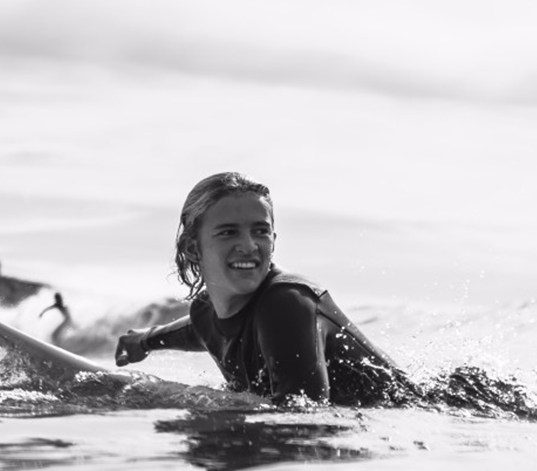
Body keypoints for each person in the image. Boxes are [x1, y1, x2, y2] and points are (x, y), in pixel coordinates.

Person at [114, 172, 418, 407]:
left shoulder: (287, 303)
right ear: (193, 247)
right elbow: (203, 330)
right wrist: (144, 341)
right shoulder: (207, 310)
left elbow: (305, 420)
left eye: (260, 231)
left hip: (418, 415)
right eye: (228, 232)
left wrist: (192, 402)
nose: (248, 246)